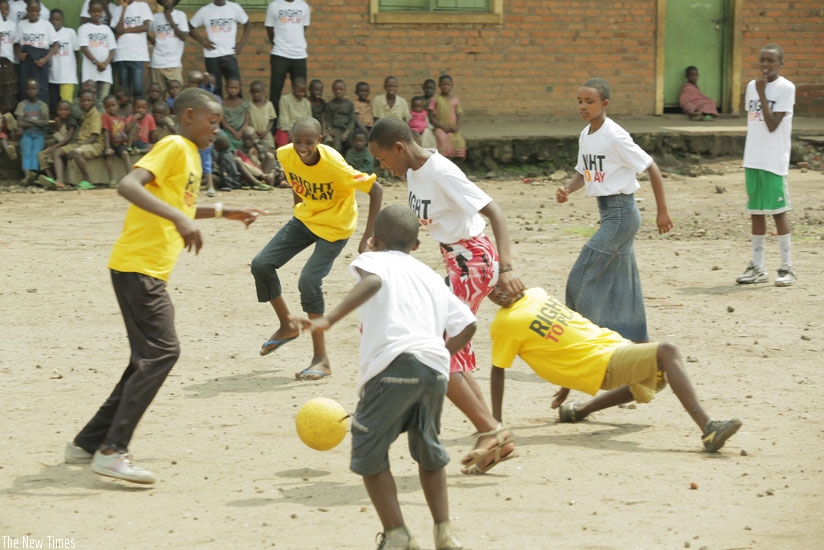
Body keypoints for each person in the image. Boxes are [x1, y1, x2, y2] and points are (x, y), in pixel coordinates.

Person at [64, 87, 266, 485]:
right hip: (139, 268)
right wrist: (181, 219)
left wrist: (223, 211)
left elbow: (183, 205)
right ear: (188, 115)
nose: (217, 129)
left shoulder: (191, 155)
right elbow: (129, 185)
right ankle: (112, 450)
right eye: (212, 121)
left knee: (146, 356)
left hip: (141, 269)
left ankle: (88, 442)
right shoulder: (174, 144)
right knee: (163, 352)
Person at [298, 205, 475, 550]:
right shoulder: (427, 275)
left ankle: (397, 535)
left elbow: (374, 282)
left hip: (392, 368)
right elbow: (468, 324)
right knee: (429, 452)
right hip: (434, 371)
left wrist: (328, 319)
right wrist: (439, 355)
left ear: (373, 241)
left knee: (369, 452)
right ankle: (445, 533)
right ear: (417, 245)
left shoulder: (375, 261)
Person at [368, 117, 523, 476]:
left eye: (383, 159)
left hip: (473, 260)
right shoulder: (413, 173)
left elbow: (494, 211)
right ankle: (494, 434)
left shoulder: (441, 171)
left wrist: (507, 267)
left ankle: (490, 430)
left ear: (399, 148)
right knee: (455, 351)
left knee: (436, 347)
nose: (383, 167)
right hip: (458, 263)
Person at [486, 284, 743, 454]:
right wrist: (494, 423)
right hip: (604, 361)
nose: (497, 292)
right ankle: (709, 429)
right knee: (668, 352)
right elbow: (498, 369)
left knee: (650, 380)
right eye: (489, 290)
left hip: (614, 345)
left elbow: (567, 338)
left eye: (500, 282)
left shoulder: (536, 294)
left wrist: (566, 386)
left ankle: (578, 411)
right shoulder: (504, 324)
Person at [251, 116, 382, 380]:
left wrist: (368, 237)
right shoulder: (285, 154)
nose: (302, 147)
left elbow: (375, 190)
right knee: (261, 265)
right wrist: (298, 209)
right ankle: (287, 325)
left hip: (335, 228)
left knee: (309, 281)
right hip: (305, 219)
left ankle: (321, 359)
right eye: (297, 141)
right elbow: (296, 181)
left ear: (319, 141)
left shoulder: (335, 164)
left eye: (309, 142)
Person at [556, 78, 673, 343]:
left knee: (581, 275)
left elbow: (651, 167)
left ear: (604, 104)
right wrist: (567, 189)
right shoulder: (586, 135)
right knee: (623, 286)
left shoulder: (616, 136)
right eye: (580, 101)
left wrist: (662, 211)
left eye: (589, 101)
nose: (583, 106)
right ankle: (636, 343)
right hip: (610, 214)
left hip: (621, 215)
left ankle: (580, 341)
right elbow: (584, 172)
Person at [736, 44, 797, 288]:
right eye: (762, 60)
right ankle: (758, 266)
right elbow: (755, 122)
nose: (765, 65)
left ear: (780, 63)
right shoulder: (752, 85)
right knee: (756, 213)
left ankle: (787, 267)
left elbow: (772, 125)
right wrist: (758, 90)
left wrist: (762, 93)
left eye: (771, 61)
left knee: (778, 213)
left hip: (773, 160)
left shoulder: (786, 88)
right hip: (753, 158)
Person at [188, 0, 250, 99]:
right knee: (215, 89)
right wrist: (202, 41)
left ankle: (237, 113)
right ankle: (218, 113)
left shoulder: (234, 7)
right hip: (212, 56)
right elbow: (189, 27)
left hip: (229, 54)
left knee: (235, 87)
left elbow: (247, 23)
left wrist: (241, 43)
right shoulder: (205, 10)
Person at [264, 0, 309, 121]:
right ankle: (274, 125)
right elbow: (269, 28)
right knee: (275, 92)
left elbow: (303, 28)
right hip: (279, 54)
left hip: (299, 55)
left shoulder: (303, 6)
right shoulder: (274, 6)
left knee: (301, 92)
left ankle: (300, 122)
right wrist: (278, 43)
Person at [52, 89, 104, 190]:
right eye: (83, 101)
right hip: (83, 143)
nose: (86, 103)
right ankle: (60, 180)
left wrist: (79, 146)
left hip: (95, 145)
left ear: (93, 101)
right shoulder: (85, 115)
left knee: (76, 152)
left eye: (89, 100)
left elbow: (93, 137)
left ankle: (88, 180)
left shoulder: (96, 115)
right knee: (57, 152)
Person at [13, 0, 57, 105]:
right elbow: (16, 43)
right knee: (25, 86)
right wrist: (19, 54)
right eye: (31, 10)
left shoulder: (46, 25)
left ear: (39, 11)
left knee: (41, 87)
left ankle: (42, 113)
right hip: (26, 60)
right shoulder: (21, 24)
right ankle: (25, 113)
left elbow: (56, 44)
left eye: (36, 10)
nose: (33, 13)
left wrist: (45, 59)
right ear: (27, 10)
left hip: (41, 60)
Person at [108, 0, 152, 99]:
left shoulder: (142, 6)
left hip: (138, 54)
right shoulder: (117, 10)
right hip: (121, 54)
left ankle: (138, 111)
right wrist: (124, 9)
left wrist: (126, 30)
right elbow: (118, 30)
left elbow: (145, 27)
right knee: (124, 89)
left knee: (138, 88)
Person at [78, 0, 116, 103]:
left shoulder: (106, 29)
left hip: (105, 71)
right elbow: (84, 48)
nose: (96, 14)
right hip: (90, 71)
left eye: (99, 11)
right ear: (89, 12)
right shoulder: (84, 28)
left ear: (102, 12)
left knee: (103, 101)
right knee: (89, 101)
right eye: (94, 11)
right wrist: (96, 62)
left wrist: (105, 63)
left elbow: (112, 49)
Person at [148, 0, 188, 95]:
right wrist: (153, 41)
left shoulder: (180, 15)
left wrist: (170, 19)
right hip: (157, 63)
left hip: (174, 63)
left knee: (177, 95)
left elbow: (183, 37)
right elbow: (145, 30)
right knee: (159, 96)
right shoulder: (155, 17)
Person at [15, 78, 48, 186]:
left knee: (36, 151)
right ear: (26, 90)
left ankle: (33, 174)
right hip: (26, 134)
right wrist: (36, 122)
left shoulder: (42, 105)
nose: (31, 91)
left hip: (39, 134)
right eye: (29, 89)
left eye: (34, 88)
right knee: (26, 150)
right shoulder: (22, 105)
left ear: (38, 90)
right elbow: (20, 123)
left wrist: (28, 120)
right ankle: (27, 175)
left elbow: (45, 123)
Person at [36, 99, 74, 187]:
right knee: (41, 155)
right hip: (59, 144)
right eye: (61, 110)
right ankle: (52, 179)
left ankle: (59, 179)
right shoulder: (57, 121)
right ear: (57, 111)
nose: (63, 112)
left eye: (66, 110)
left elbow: (68, 139)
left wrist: (55, 146)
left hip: (68, 145)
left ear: (70, 111)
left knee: (52, 153)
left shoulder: (71, 121)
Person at [47, 9, 77, 116]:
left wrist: (73, 70)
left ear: (62, 20)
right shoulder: (47, 34)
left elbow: (76, 52)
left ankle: (68, 129)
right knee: (54, 106)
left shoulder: (70, 32)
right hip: (52, 76)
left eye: (58, 19)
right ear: (49, 20)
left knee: (66, 105)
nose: (55, 22)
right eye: (52, 19)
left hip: (67, 76)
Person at [429, 75, 466, 161]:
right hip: (440, 127)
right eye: (443, 84)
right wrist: (441, 126)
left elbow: (459, 114)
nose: (445, 86)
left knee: (459, 140)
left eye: (448, 84)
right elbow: (431, 116)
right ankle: (444, 161)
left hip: (452, 127)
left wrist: (457, 127)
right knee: (442, 139)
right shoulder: (435, 99)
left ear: (452, 86)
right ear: (439, 86)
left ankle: (456, 163)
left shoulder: (455, 100)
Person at [236, 125, 281, 189]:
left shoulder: (261, 147)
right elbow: (247, 166)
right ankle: (258, 183)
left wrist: (272, 173)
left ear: (255, 138)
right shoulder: (239, 151)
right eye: (245, 139)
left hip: (262, 173)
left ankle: (266, 180)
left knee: (270, 156)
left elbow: (275, 162)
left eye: (250, 139)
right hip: (250, 176)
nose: (247, 142)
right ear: (241, 138)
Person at [101, 94, 129, 188]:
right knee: (109, 156)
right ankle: (112, 180)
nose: (111, 108)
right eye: (108, 107)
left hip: (120, 143)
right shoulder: (106, 116)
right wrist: (108, 147)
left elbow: (124, 131)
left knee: (125, 154)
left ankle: (131, 178)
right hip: (110, 142)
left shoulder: (122, 118)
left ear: (118, 105)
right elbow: (106, 131)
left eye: (113, 105)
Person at [275, 76, 310, 147]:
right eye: (298, 91)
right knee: (283, 143)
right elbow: (283, 118)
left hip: (301, 130)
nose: (301, 94)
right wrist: (289, 132)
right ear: (293, 88)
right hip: (287, 129)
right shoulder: (285, 99)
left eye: (303, 92)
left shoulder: (306, 103)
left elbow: (308, 120)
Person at [323, 78, 355, 153]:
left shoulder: (349, 104)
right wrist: (330, 129)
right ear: (333, 91)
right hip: (336, 129)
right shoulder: (330, 104)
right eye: (336, 90)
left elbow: (352, 119)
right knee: (337, 147)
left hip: (347, 128)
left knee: (353, 143)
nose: (338, 91)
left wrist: (347, 132)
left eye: (341, 89)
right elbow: (328, 119)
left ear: (345, 90)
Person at [220, 77, 248, 150]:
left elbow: (247, 120)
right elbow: (223, 122)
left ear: (239, 89)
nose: (233, 90)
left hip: (242, 130)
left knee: (248, 138)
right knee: (224, 139)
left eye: (236, 88)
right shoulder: (222, 104)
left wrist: (240, 131)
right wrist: (234, 132)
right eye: (230, 88)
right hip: (228, 131)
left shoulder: (244, 103)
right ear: (226, 88)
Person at [248, 80, 276, 152]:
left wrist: (266, 131)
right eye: (254, 92)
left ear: (263, 91)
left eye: (258, 92)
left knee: (271, 151)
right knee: (255, 151)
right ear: (250, 92)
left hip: (266, 134)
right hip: (254, 134)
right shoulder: (249, 105)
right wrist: (255, 131)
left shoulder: (269, 104)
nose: (256, 94)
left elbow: (271, 120)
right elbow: (248, 120)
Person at [0, 0, 18, 110]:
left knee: (8, 90)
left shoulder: (13, 24)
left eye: (5, 9)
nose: (3, 11)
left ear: (9, 10)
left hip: (9, 60)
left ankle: (7, 117)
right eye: (0, 9)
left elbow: (15, 43)